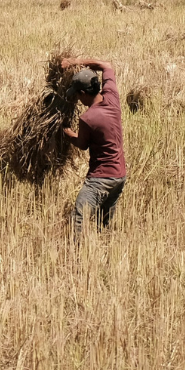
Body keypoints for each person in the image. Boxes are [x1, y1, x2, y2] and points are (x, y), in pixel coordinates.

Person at [61, 56, 126, 238]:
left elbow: (81, 144)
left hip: (101, 178)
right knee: (103, 221)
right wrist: (74, 62)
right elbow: (106, 65)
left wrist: (68, 133)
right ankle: (104, 249)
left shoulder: (88, 118)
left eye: (77, 95)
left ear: (83, 93)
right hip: (119, 175)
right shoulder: (112, 98)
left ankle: (78, 255)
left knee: (79, 216)